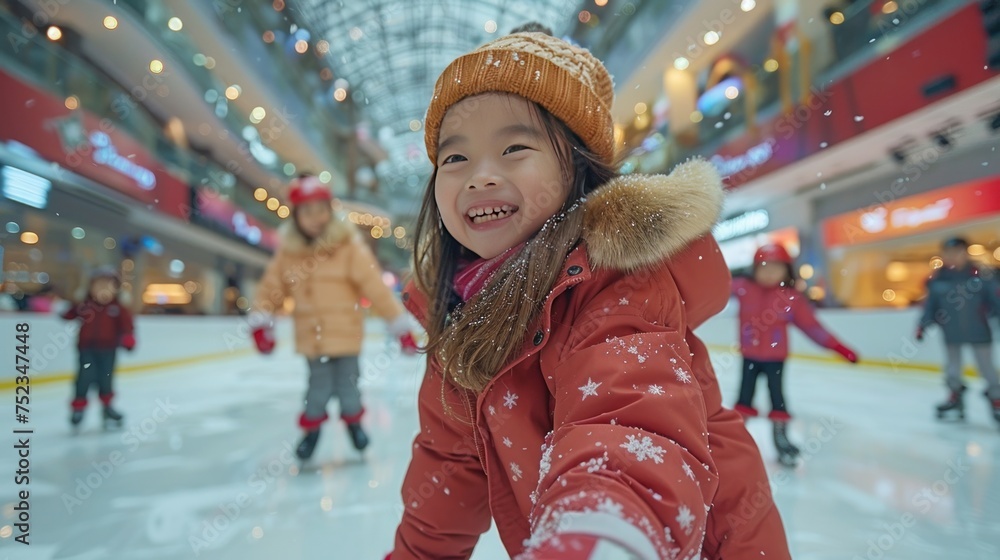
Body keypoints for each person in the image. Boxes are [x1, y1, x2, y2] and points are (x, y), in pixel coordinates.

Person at [385, 31, 790, 560]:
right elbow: (446, 472)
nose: (480, 176)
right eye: (454, 157)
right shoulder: (465, 319)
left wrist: (601, 536)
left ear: (576, 168)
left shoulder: (615, 283)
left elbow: (626, 427)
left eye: (514, 148)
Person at [249, 176, 418, 461]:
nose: (315, 219)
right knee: (317, 389)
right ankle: (311, 432)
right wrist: (262, 321)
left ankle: (354, 424)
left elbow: (375, 287)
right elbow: (271, 289)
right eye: (307, 212)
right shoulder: (288, 253)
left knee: (349, 386)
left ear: (329, 211)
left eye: (320, 210)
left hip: (346, 336)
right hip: (312, 339)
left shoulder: (348, 247)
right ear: (296, 215)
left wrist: (399, 326)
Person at [731, 244, 858, 466]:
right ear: (754, 269)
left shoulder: (791, 298)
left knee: (778, 400)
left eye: (776, 267)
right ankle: (734, 442)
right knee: (744, 399)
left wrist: (839, 348)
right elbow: (708, 288)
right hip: (749, 357)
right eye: (763, 267)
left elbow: (813, 327)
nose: (769, 272)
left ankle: (781, 440)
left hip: (775, 360)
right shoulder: (742, 288)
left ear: (786, 270)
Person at [917, 237, 1000, 424]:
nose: (954, 257)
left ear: (966, 253)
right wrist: (922, 325)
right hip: (951, 332)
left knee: (987, 367)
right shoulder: (938, 278)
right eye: (949, 253)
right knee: (953, 367)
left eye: (958, 252)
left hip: (979, 330)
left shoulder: (980, 275)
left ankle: (996, 399)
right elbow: (931, 306)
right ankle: (955, 397)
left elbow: (996, 301)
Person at [61, 266, 136, 430]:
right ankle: (78, 408)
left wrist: (128, 338)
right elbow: (70, 314)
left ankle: (107, 408)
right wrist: (70, 306)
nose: (104, 290)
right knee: (84, 378)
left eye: (109, 286)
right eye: (99, 286)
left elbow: (127, 325)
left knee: (106, 379)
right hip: (87, 349)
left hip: (108, 350)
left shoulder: (118, 308)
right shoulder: (86, 305)